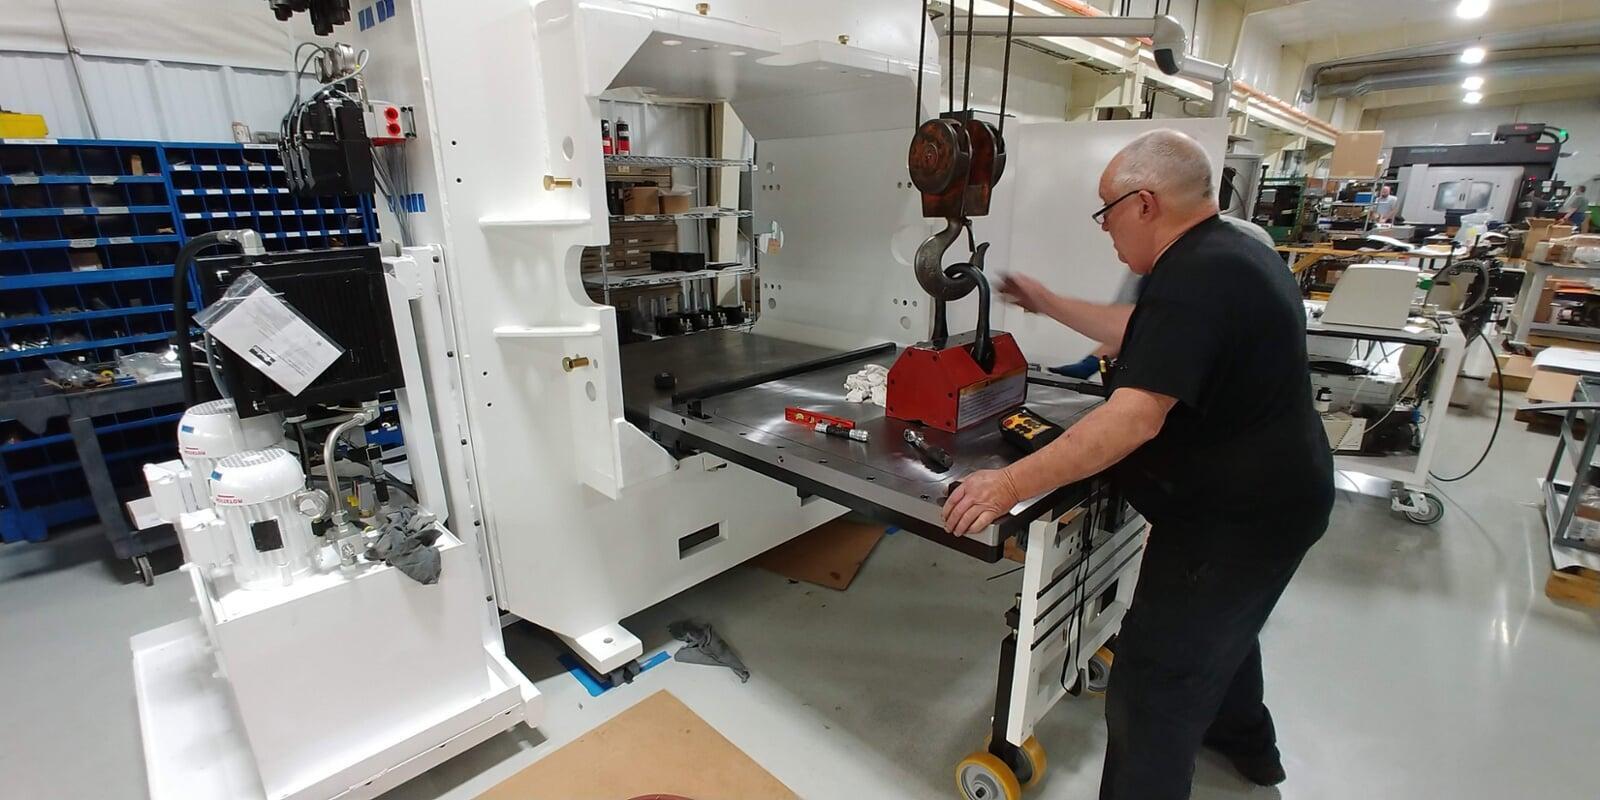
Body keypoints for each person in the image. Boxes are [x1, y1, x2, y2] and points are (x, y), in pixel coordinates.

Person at [941, 129, 1334, 799]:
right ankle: (1249, 749)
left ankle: (1208, 748)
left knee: (1152, 694)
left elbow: (1133, 417)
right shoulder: (1231, 250)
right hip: (1278, 503)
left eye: (1107, 210)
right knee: (1226, 635)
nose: (1104, 229)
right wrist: (1049, 303)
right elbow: (1142, 330)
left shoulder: (1199, 276)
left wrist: (1008, 482)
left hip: (1231, 524)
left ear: (1145, 203)